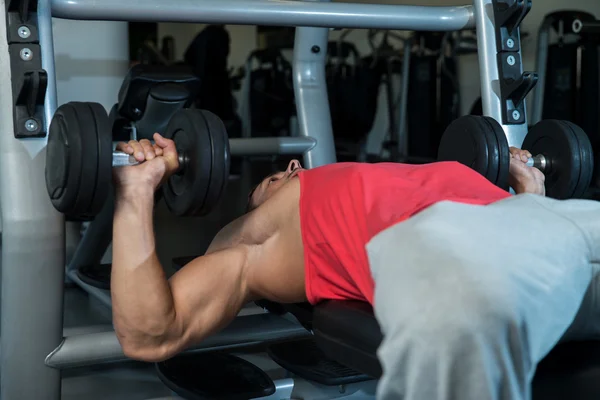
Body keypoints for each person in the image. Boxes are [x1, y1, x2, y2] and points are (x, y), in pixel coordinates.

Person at [111, 133, 599, 400]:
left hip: (555, 225)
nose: (289, 172)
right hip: (469, 260)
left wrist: (530, 194)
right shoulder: (255, 244)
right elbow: (150, 334)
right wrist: (138, 192)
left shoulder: (384, 174)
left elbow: (524, 228)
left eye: (289, 169)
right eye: (270, 178)